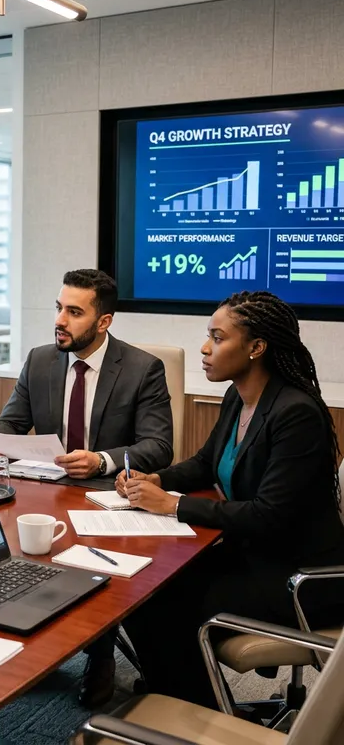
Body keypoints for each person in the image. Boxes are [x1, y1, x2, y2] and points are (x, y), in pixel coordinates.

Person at [117, 290, 344, 708]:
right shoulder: (238, 395)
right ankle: (175, 700)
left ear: (256, 348)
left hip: (300, 576)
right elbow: (206, 463)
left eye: (218, 338)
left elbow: (270, 516)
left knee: (166, 610)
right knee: (145, 591)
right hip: (254, 555)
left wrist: (172, 505)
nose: (204, 348)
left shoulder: (296, 413)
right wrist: (157, 478)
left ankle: (200, 718)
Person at [0, 268, 174, 707]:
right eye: (58, 308)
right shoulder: (41, 359)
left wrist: (101, 459)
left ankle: (100, 651)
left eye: (74, 312)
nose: (60, 321)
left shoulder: (143, 369)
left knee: (97, 569)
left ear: (104, 321)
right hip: (44, 491)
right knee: (6, 551)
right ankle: (31, 649)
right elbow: (9, 423)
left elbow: (159, 446)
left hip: (109, 496)